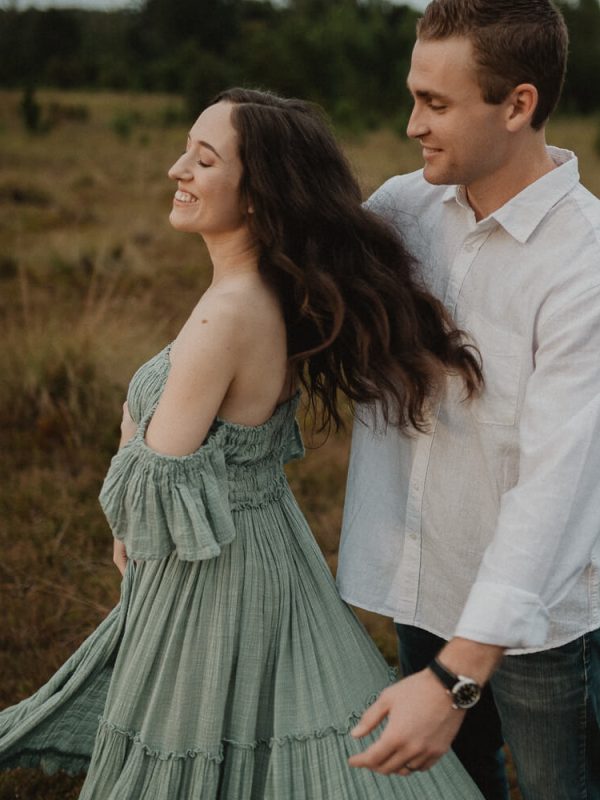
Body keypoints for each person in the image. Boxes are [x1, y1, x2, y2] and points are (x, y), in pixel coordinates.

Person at [0, 89, 484, 798]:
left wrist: (130, 424)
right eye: (184, 153)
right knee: (261, 727)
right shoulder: (269, 292)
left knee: (205, 736)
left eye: (203, 160)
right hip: (258, 544)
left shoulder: (228, 311)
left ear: (258, 196)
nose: (177, 171)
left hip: (212, 567)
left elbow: (155, 486)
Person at [337, 1, 600, 799]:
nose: (412, 123)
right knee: (453, 790)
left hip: (541, 622)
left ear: (519, 105)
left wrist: (458, 676)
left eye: (437, 103)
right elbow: (290, 312)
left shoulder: (584, 266)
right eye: (414, 95)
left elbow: (558, 490)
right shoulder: (403, 208)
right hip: (420, 584)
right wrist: (159, 429)